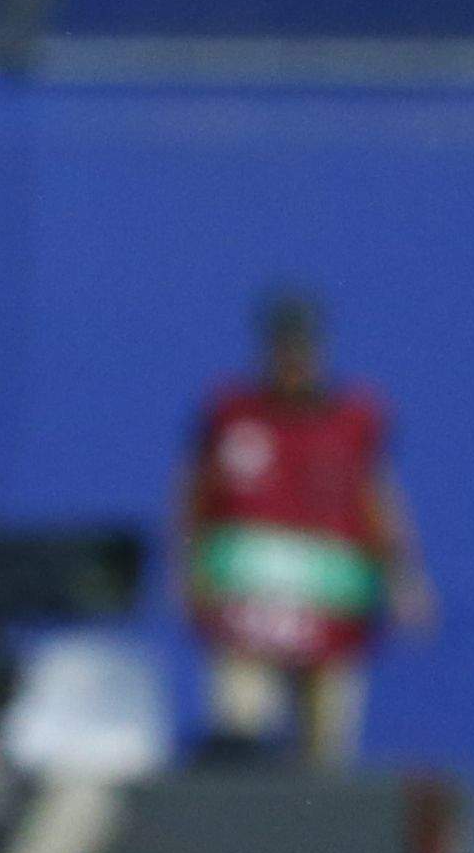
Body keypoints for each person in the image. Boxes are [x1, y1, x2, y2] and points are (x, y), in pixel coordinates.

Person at [176, 291, 431, 767]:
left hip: (329, 605)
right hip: (246, 607)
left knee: (326, 754)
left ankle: (318, 837)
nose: (293, 363)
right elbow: (194, 494)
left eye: (303, 351)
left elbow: (376, 499)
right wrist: (188, 567)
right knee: (241, 736)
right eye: (283, 351)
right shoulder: (231, 415)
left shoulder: (354, 419)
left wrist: (405, 578)